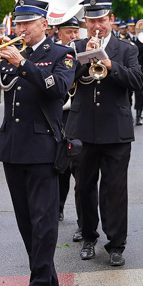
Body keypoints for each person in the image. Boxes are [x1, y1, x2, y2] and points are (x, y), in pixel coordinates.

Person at [0, 0, 75, 286]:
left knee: (44, 218)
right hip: (12, 146)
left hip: (43, 146)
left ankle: (40, 282)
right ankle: (47, 277)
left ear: (44, 24)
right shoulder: (7, 55)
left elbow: (58, 89)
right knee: (25, 219)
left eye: (27, 23)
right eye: (18, 23)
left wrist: (22, 63)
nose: (21, 29)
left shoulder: (62, 54)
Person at [66, 0, 143, 267]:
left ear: (111, 20)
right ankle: (88, 237)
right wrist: (83, 59)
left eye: (101, 20)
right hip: (82, 128)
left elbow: (137, 81)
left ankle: (116, 244)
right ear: (84, 22)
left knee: (115, 188)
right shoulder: (75, 46)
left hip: (116, 129)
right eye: (91, 20)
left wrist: (110, 65)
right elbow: (64, 82)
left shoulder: (126, 49)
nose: (96, 25)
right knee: (84, 186)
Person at [55, 17, 80, 225]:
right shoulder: (54, 53)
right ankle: (59, 206)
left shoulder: (84, 49)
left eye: (75, 31)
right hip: (61, 113)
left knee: (81, 168)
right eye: (69, 32)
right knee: (61, 163)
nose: (73, 36)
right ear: (59, 33)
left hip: (79, 113)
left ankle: (84, 220)